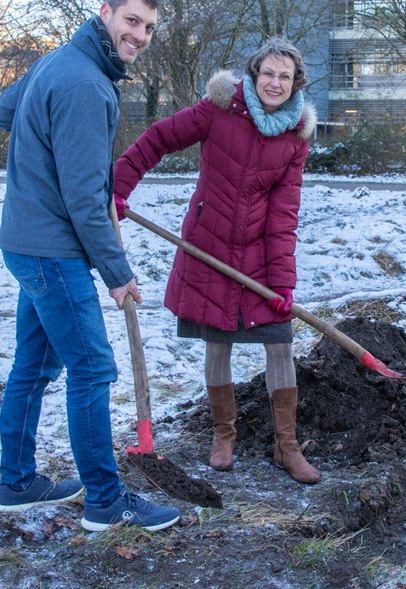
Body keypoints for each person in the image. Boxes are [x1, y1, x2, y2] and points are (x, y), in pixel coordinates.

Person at [0, 0, 181, 532]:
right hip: (54, 249)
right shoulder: (87, 85)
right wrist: (118, 272)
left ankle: (18, 482)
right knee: (93, 368)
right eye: (132, 21)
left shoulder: (60, 60)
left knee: (35, 364)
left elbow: (4, 113)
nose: (140, 35)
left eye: (149, 27)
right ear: (106, 11)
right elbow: (83, 197)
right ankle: (105, 499)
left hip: (26, 241)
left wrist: (40, 147)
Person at [111, 38, 320, 484]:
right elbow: (158, 139)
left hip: (263, 255)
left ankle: (287, 445)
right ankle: (223, 436)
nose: (275, 82)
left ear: (295, 83)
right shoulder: (219, 109)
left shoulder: (296, 135)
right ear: (254, 74)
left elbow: (285, 214)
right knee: (218, 339)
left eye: (285, 76)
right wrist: (119, 186)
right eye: (268, 73)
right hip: (210, 246)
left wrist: (283, 282)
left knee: (280, 342)